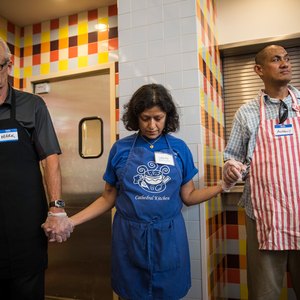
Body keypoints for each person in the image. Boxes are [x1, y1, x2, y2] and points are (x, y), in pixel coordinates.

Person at [43, 83, 237, 299]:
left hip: (169, 237)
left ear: (167, 116)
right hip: (129, 238)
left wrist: (223, 186)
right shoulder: (121, 149)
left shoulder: (179, 148)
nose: (152, 125)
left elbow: (189, 196)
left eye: (158, 118)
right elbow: (108, 197)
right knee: (131, 293)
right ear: (136, 117)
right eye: (146, 118)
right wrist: (70, 221)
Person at [223, 45, 300, 300]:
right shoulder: (246, 112)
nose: (285, 63)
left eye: (287, 59)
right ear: (259, 70)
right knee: (264, 293)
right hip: (264, 215)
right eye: (276, 59)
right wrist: (231, 168)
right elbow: (232, 156)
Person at [0, 37, 70, 300]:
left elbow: (50, 158)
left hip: (25, 229)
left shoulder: (33, 106)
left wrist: (57, 208)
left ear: (9, 65)